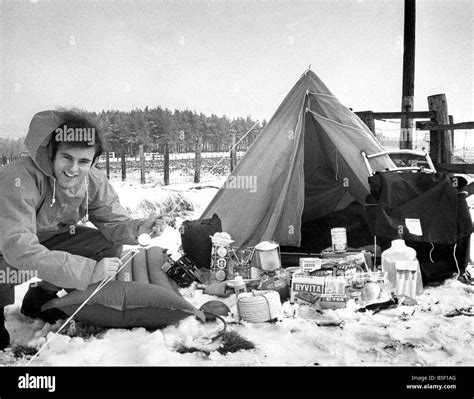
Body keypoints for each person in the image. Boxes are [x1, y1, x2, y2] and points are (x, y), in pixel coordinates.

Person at [0, 109, 170, 350]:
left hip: (45, 242)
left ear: (94, 161)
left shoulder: (94, 180)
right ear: (51, 153)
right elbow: (18, 248)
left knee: (106, 244)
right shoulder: (18, 178)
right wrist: (88, 271)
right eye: (66, 158)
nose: (74, 169)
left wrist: (142, 227)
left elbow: (114, 225)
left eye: (83, 161)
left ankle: (40, 298)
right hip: (6, 249)